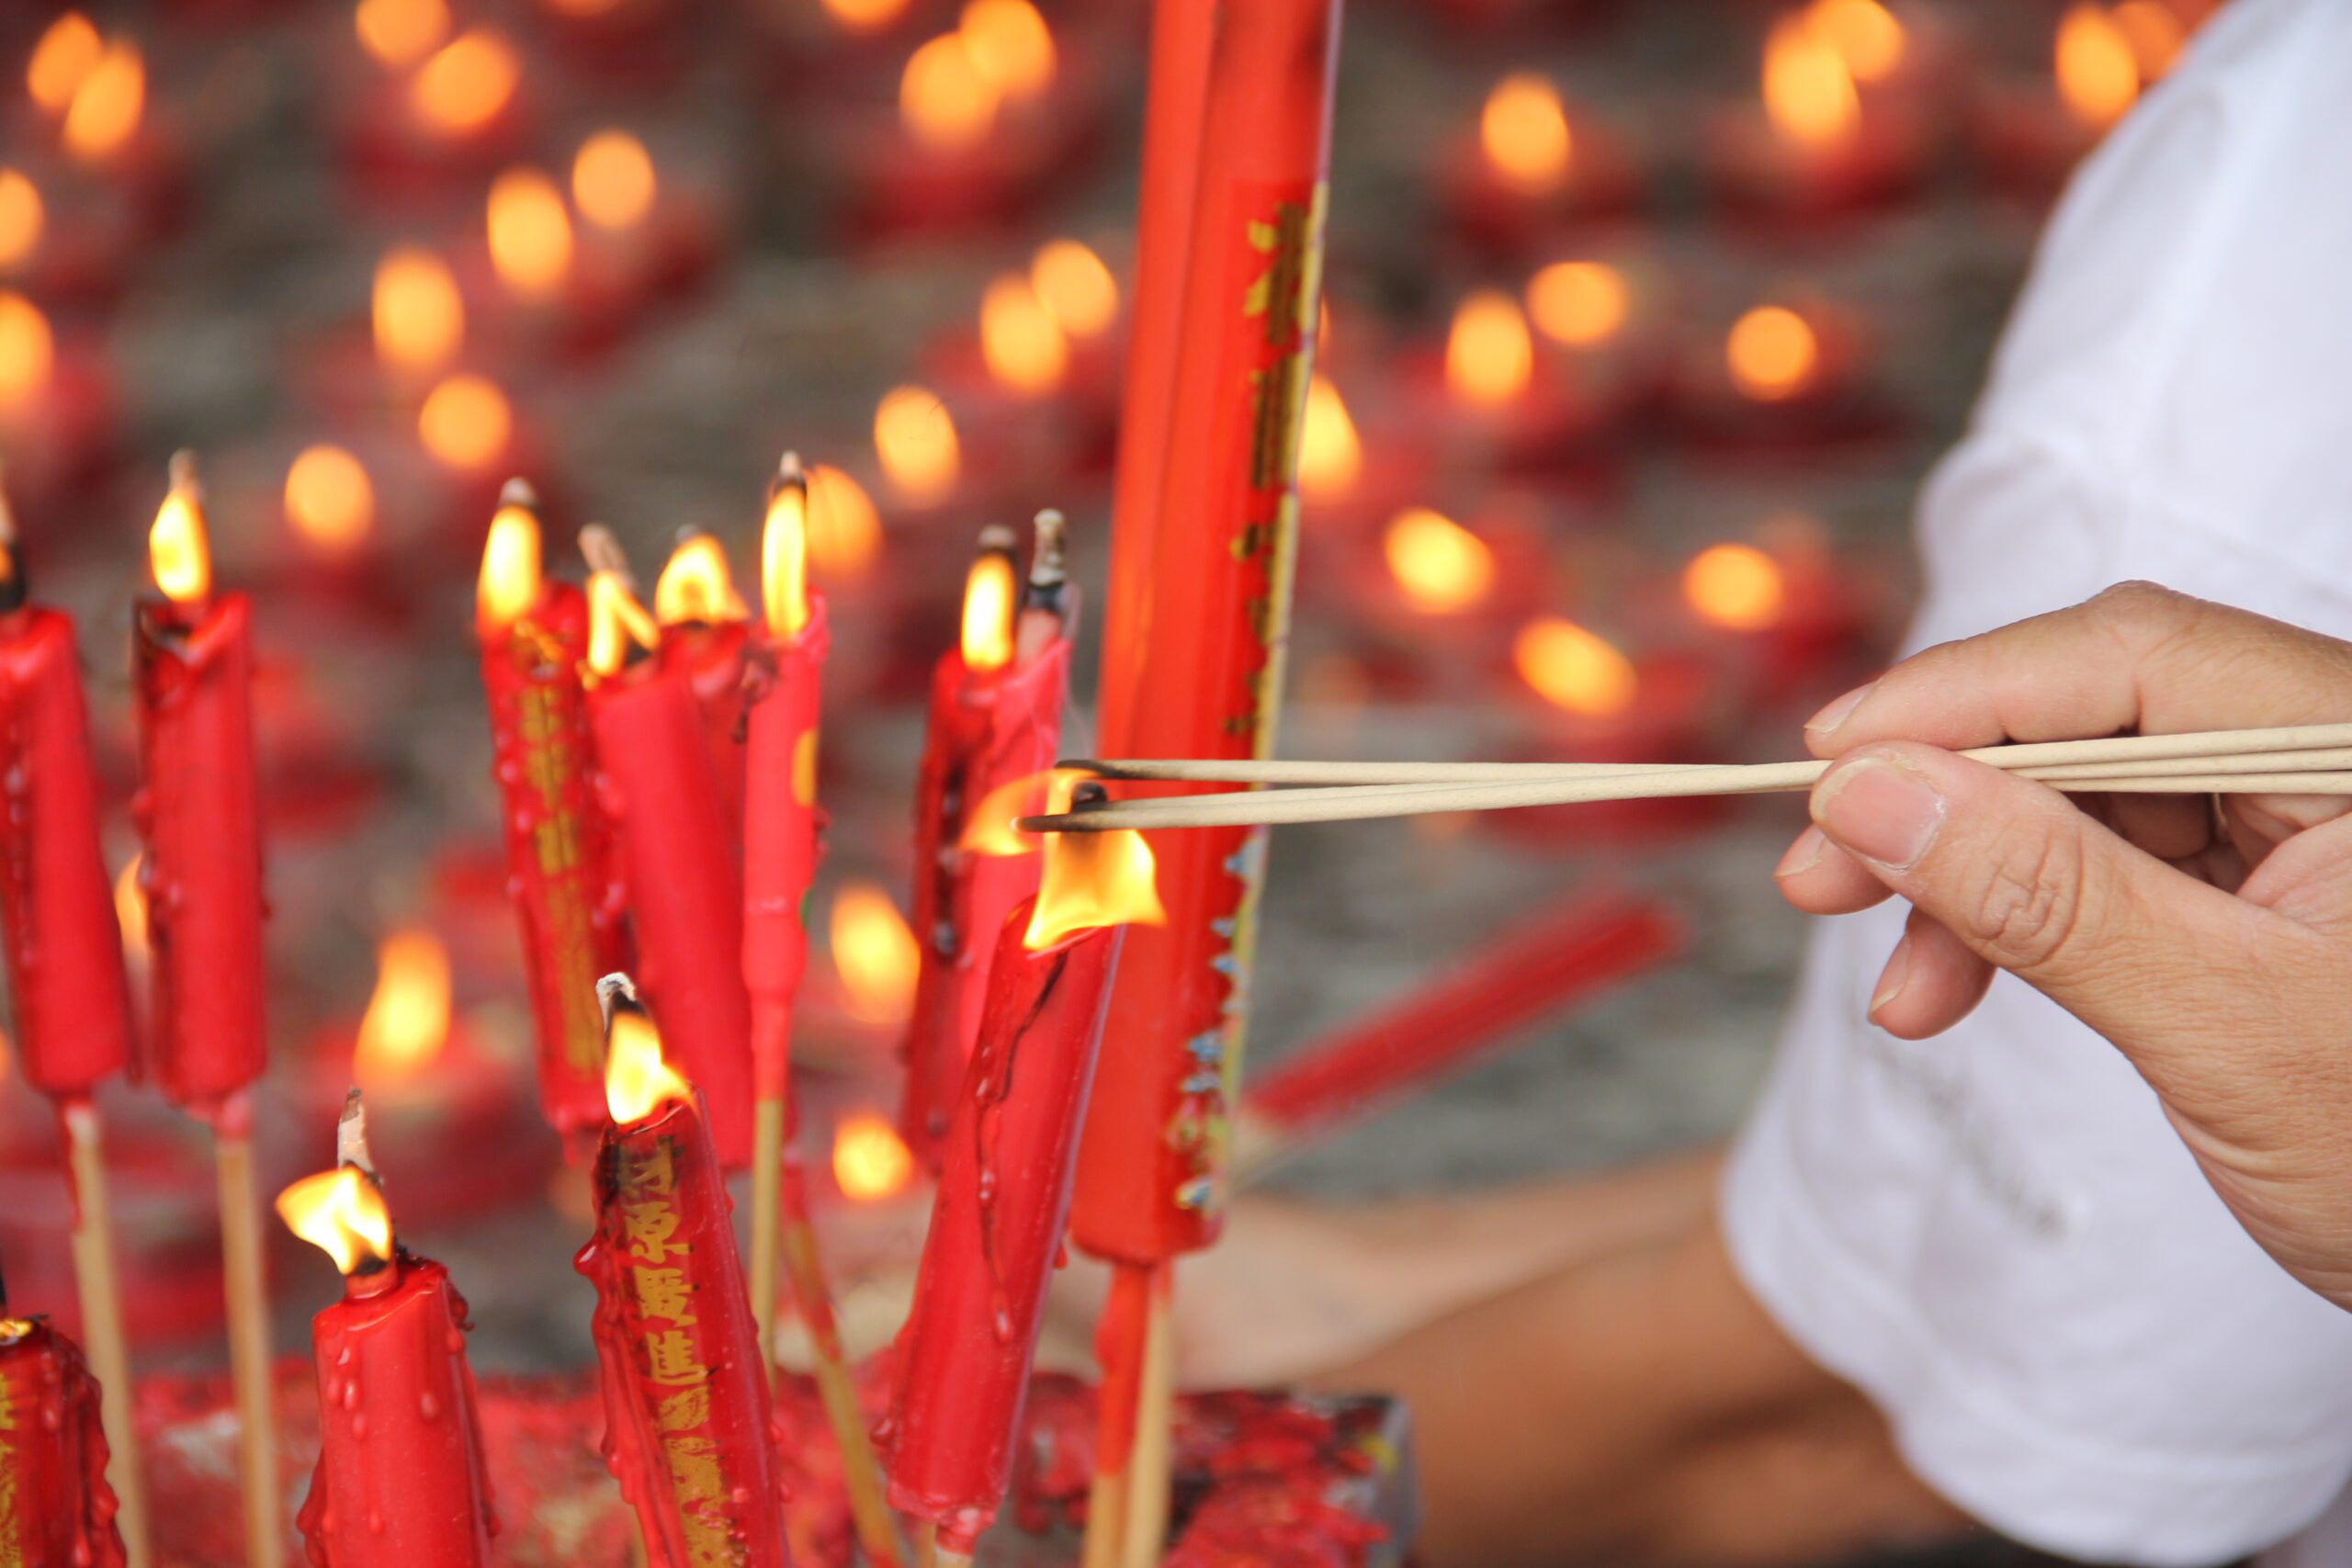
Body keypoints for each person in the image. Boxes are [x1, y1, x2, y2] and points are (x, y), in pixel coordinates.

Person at [1076, 2, 2352, 1562]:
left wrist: (1086, 1508)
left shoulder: (2270, 277)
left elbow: (1849, 1422)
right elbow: (1967, 1238)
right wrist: (1355, 1286)